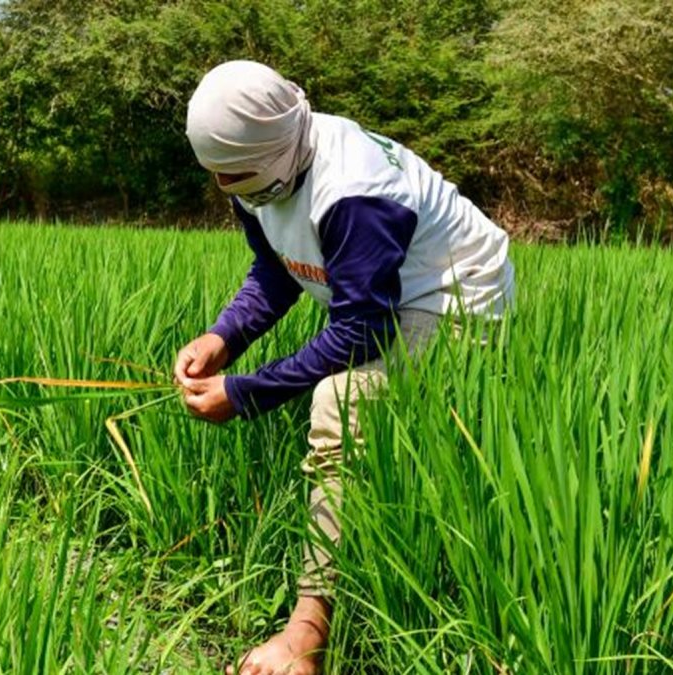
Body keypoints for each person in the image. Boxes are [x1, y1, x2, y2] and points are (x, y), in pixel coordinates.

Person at [173, 61, 514, 675]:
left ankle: (306, 636)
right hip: (387, 294)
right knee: (350, 394)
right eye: (217, 178)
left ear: (274, 152)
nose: (227, 187)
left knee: (344, 401)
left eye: (235, 176)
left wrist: (246, 393)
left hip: (456, 294)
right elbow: (277, 269)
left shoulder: (354, 193)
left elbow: (363, 329)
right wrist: (223, 337)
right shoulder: (259, 168)